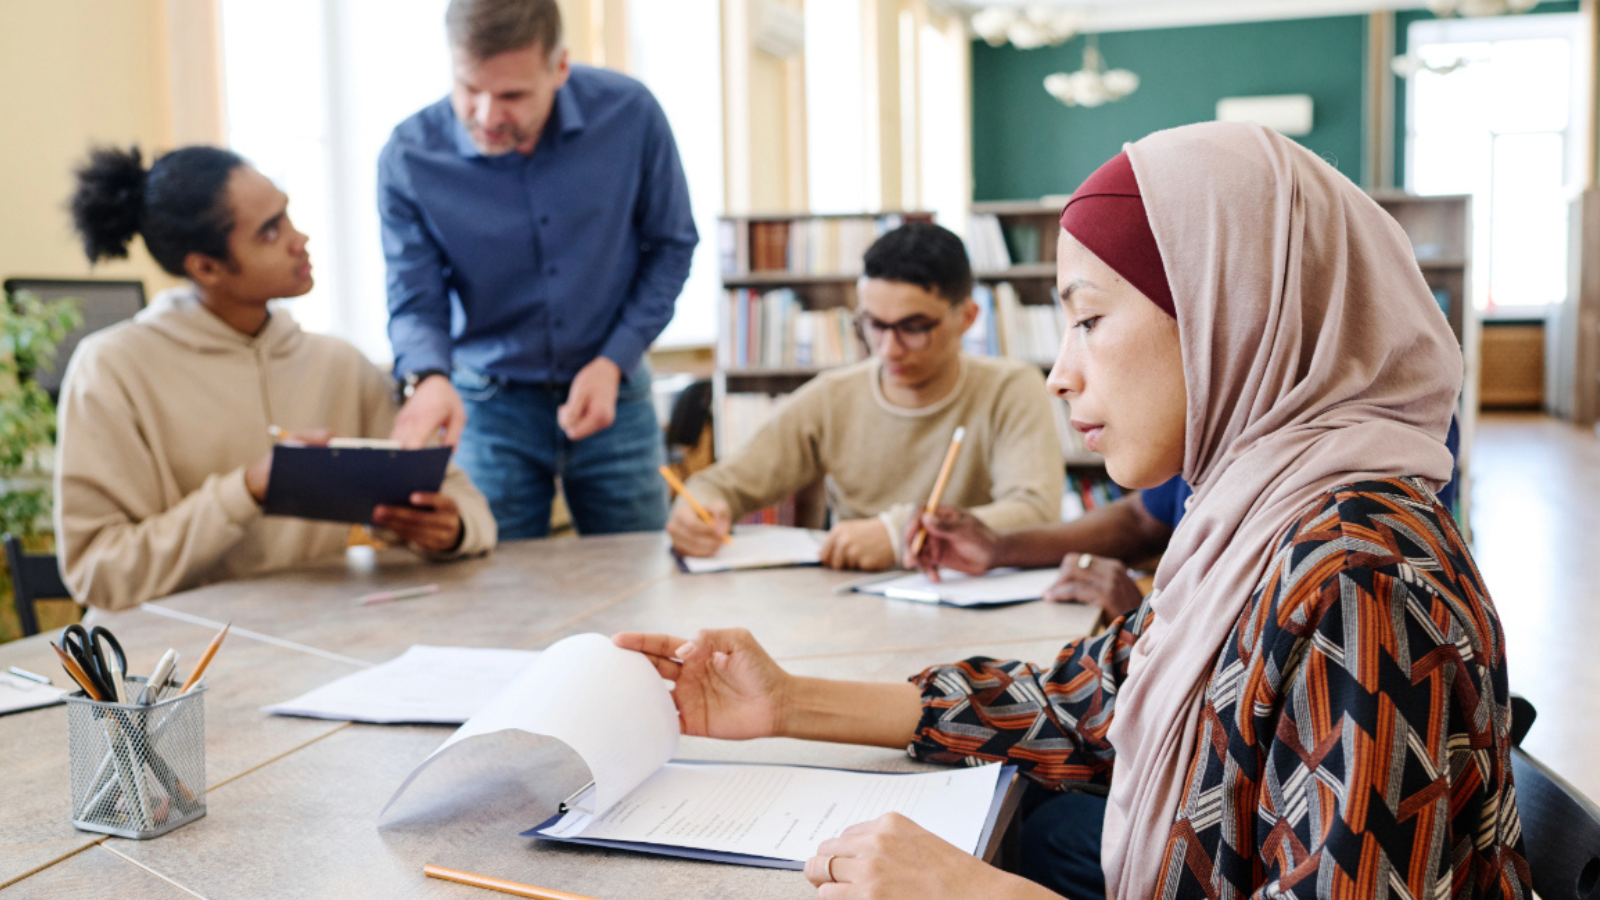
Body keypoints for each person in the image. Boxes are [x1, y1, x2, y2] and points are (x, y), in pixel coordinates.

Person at [615, 122, 1527, 898]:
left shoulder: (1361, 583)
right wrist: (788, 701)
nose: (1060, 372)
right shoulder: (1252, 523)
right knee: (1049, 826)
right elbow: (1087, 702)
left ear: (1230, 314)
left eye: (1089, 319)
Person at [57, 145, 497, 612]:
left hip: (313, 645)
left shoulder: (339, 363)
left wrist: (450, 530)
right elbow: (97, 574)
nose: (299, 238)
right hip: (171, 664)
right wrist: (245, 491)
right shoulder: (111, 368)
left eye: (286, 216)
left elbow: (470, 509)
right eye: (270, 232)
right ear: (205, 267)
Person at [379, 0, 697, 539]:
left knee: (638, 575)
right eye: (469, 89)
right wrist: (429, 377)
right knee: (494, 584)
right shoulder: (409, 156)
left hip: (613, 390)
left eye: (512, 95)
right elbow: (415, 297)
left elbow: (671, 247)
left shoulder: (631, 115)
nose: (485, 115)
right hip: (489, 403)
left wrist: (614, 360)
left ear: (560, 67)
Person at [668, 222, 1062, 571]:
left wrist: (897, 534)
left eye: (913, 326)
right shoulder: (831, 396)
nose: (888, 348)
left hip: (972, 600)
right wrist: (694, 509)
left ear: (968, 317)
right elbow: (723, 484)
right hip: (853, 605)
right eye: (874, 324)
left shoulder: (1011, 389)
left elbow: (1036, 513)